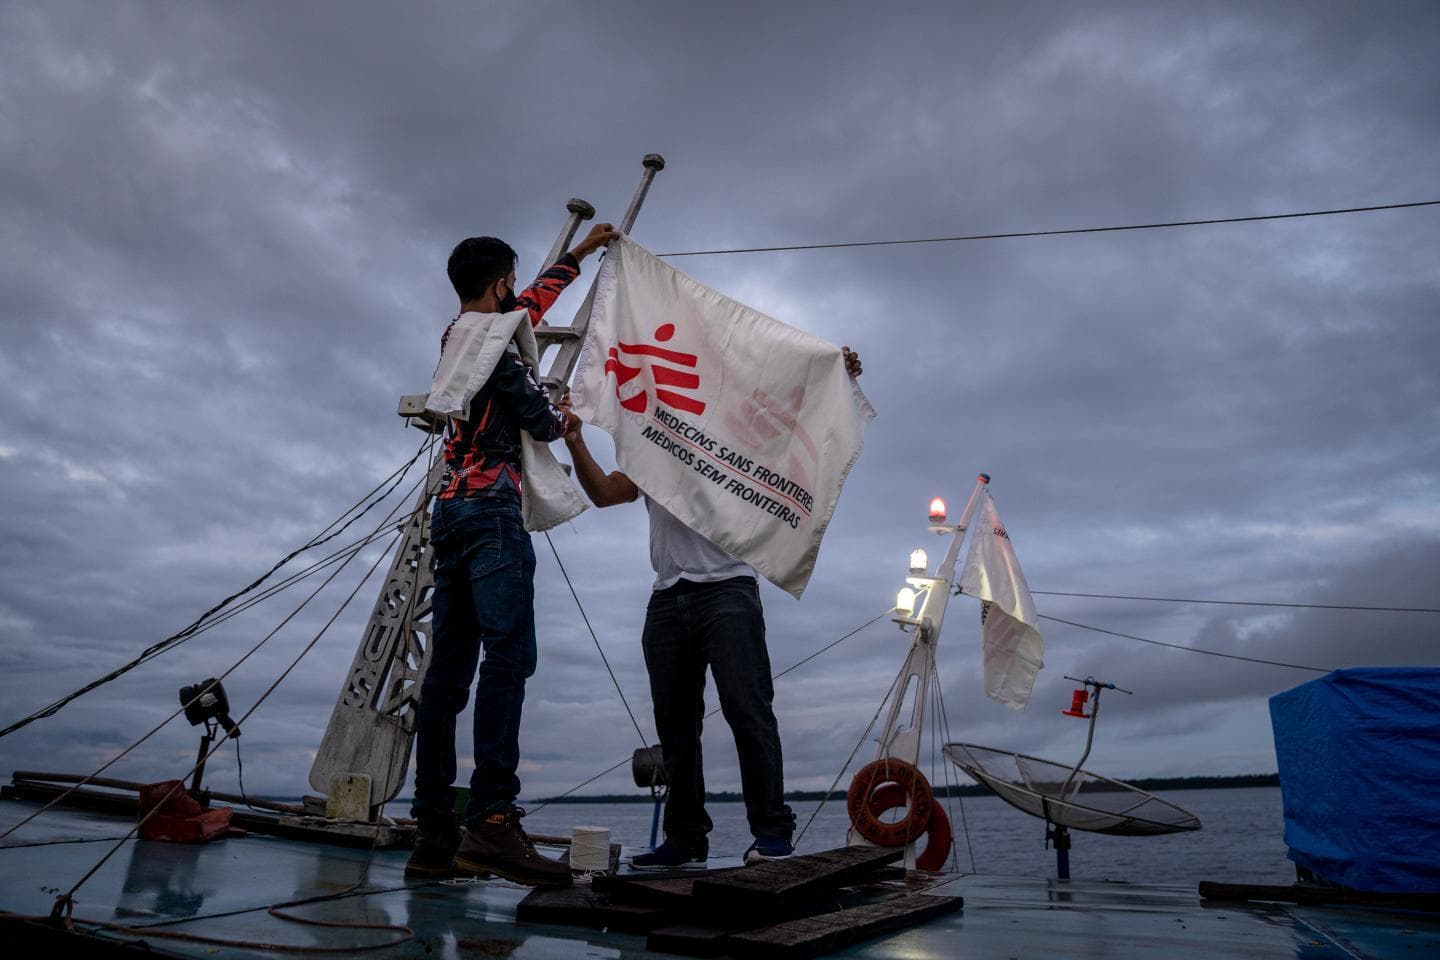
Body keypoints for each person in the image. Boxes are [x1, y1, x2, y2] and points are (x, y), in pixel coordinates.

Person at [561, 347, 863, 867]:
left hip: (728, 590)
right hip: (666, 597)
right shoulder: (651, 446)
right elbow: (609, 494)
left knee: (749, 712)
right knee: (676, 728)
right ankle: (685, 838)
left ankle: (771, 833)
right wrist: (573, 439)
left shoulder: (735, 433)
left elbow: (792, 419)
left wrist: (832, 375)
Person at [406, 222, 617, 885]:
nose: (517, 293)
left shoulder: (457, 335)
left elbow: (529, 306)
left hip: (449, 514)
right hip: (494, 514)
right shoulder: (499, 347)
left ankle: (434, 836)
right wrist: (564, 422)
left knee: (444, 679)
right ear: (498, 282)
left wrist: (577, 257)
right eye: (511, 281)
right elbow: (535, 414)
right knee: (509, 657)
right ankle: (493, 819)